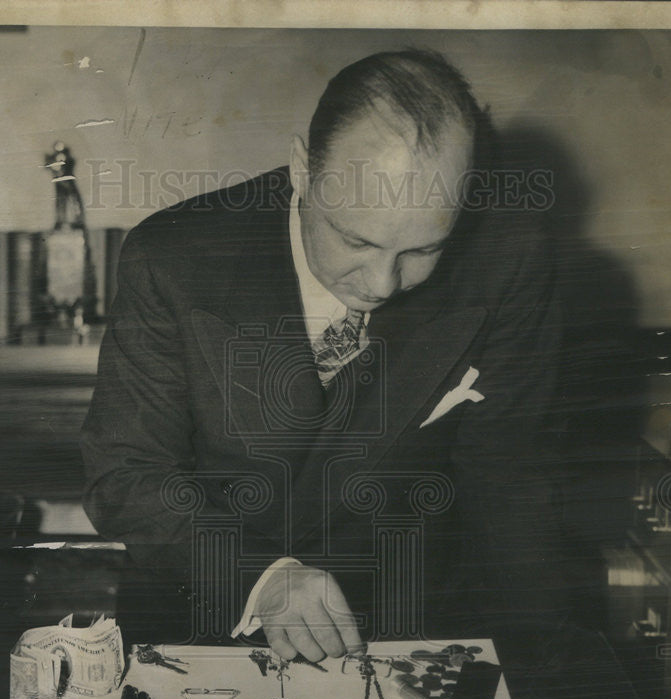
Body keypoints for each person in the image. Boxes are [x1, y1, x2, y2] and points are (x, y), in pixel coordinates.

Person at [81, 49, 567, 663]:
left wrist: (543, 661)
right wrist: (263, 577)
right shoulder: (173, 258)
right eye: (355, 239)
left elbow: (509, 476)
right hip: (204, 620)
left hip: (411, 627)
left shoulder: (508, 258)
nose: (383, 284)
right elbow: (126, 476)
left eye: (423, 250)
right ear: (303, 170)